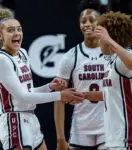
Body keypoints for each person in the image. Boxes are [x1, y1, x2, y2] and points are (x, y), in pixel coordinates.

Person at [0, 8, 85, 150]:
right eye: (10, 30)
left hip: (31, 118)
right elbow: (23, 97)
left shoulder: (23, 53)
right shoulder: (2, 59)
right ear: (1, 36)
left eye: (19, 29)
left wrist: (50, 86)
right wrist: (60, 95)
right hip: (14, 119)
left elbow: (29, 91)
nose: (16, 33)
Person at [84, 11, 132, 149]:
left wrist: (109, 40)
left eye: (100, 38)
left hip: (129, 139)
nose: (98, 42)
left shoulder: (124, 59)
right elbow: (111, 94)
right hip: (117, 138)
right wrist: (82, 95)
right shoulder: (112, 62)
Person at [54, 0, 108, 150]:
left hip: (108, 126)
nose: (87, 24)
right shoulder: (70, 56)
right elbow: (58, 98)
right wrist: (60, 138)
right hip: (80, 128)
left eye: (92, 20)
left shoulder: (112, 53)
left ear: (101, 23)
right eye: (83, 21)